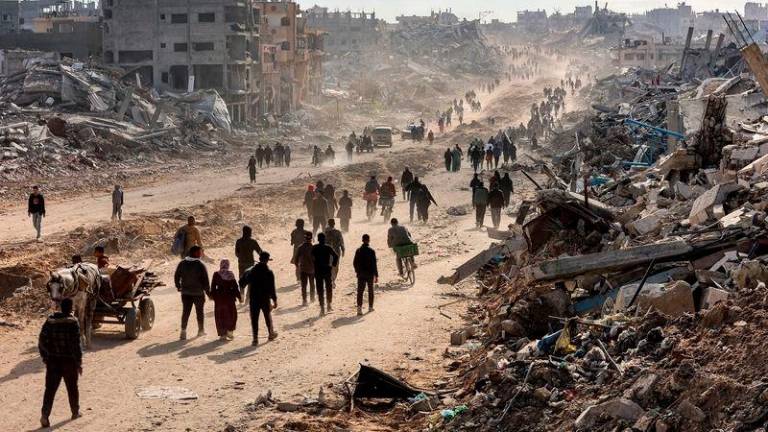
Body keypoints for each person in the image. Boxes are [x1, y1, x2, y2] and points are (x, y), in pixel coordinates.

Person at [38, 298, 82, 428]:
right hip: (69, 362)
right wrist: (79, 363)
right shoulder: (73, 322)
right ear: (71, 308)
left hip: (53, 362)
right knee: (72, 388)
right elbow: (76, 345)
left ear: (61, 308)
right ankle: (75, 412)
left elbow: (41, 341)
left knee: (50, 390)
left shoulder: (50, 321)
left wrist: (46, 358)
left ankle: (45, 415)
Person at [240, 252, 278, 345]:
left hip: (254, 298)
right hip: (265, 298)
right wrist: (274, 300)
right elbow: (272, 288)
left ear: (259, 258)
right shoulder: (269, 272)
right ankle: (271, 334)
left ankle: (255, 339)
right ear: (267, 260)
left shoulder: (251, 271)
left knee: (254, 319)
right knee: (267, 316)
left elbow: (241, 283)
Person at [174, 246, 210, 340]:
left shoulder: (182, 263)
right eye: (200, 252)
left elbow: (176, 276)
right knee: (199, 312)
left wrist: (178, 286)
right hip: (198, 293)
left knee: (186, 312)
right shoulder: (200, 265)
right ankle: (201, 330)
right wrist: (209, 293)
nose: (201, 254)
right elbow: (206, 281)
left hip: (185, 293)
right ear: (195, 253)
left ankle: (183, 331)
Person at [211, 259, 241, 341]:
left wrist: (213, 297)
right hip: (229, 298)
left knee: (220, 316)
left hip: (219, 299)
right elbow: (235, 287)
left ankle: (222, 334)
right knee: (231, 315)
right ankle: (230, 331)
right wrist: (239, 297)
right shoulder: (230, 274)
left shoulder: (216, 274)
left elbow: (213, 287)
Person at [311, 233, 339, 316]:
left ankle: (322, 307)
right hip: (327, 270)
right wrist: (332, 265)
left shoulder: (314, 248)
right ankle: (329, 305)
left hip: (318, 270)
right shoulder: (328, 247)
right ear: (325, 239)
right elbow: (336, 256)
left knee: (320, 290)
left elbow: (310, 257)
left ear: (318, 239)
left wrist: (314, 264)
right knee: (328, 288)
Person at [353, 234, 378, 316]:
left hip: (361, 274)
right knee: (370, 290)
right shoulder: (371, 251)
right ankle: (370, 307)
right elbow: (374, 264)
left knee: (360, 291)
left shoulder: (358, 250)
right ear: (369, 240)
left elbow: (354, 263)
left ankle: (359, 309)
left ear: (362, 240)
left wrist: (357, 271)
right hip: (370, 274)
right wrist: (376, 275)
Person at [235, 225, 262, 295]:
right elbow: (259, 251)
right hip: (250, 264)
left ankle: (241, 296)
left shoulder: (238, 241)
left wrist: (241, 257)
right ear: (249, 232)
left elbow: (236, 253)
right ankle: (247, 299)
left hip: (241, 264)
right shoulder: (253, 241)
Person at [292, 232, 315, 305]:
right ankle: (312, 298)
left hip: (303, 269)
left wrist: (298, 266)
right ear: (311, 239)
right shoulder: (314, 247)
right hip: (312, 269)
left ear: (304, 238)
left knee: (304, 286)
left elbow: (296, 260)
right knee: (312, 284)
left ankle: (304, 300)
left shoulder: (300, 247)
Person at [324, 219, 345, 288]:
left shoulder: (325, 232)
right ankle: (332, 280)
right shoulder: (338, 232)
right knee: (335, 267)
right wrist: (343, 250)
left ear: (328, 223)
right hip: (336, 252)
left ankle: (329, 280)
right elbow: (341, 242)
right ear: (334, 224)